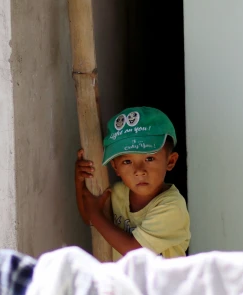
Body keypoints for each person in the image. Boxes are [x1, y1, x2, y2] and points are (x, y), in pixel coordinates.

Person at [75, 106, 190, 261]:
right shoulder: (116, 193)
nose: (139, 171)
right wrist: (80, 181)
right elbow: (89, 218)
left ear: (170, 161)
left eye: (149, 159)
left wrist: (96, 214)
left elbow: (135, 252)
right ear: (116, 167)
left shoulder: (172, 207)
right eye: (127, 161)